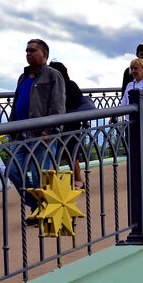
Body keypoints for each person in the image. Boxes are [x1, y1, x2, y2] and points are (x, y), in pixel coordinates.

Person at [8, 39, 66, 214]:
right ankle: (40, 204)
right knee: (12, 170)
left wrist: (49, 130)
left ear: (44, 54)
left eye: (32, 50)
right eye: (27, 51)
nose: (28, 54)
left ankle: (42, 209)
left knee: (39, 173)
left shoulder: (53, 75)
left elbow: (57, 105)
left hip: (42, 134)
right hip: (20, 134)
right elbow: (17, 103)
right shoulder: (23, 77)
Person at [49, 61, 94, 189]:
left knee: (69, 153)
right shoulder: (53, 87)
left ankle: (77, 180)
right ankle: (55, 182)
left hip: (70, 125)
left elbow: (75, 102)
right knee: (60, 153)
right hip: (59, 125)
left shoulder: (69, 85)